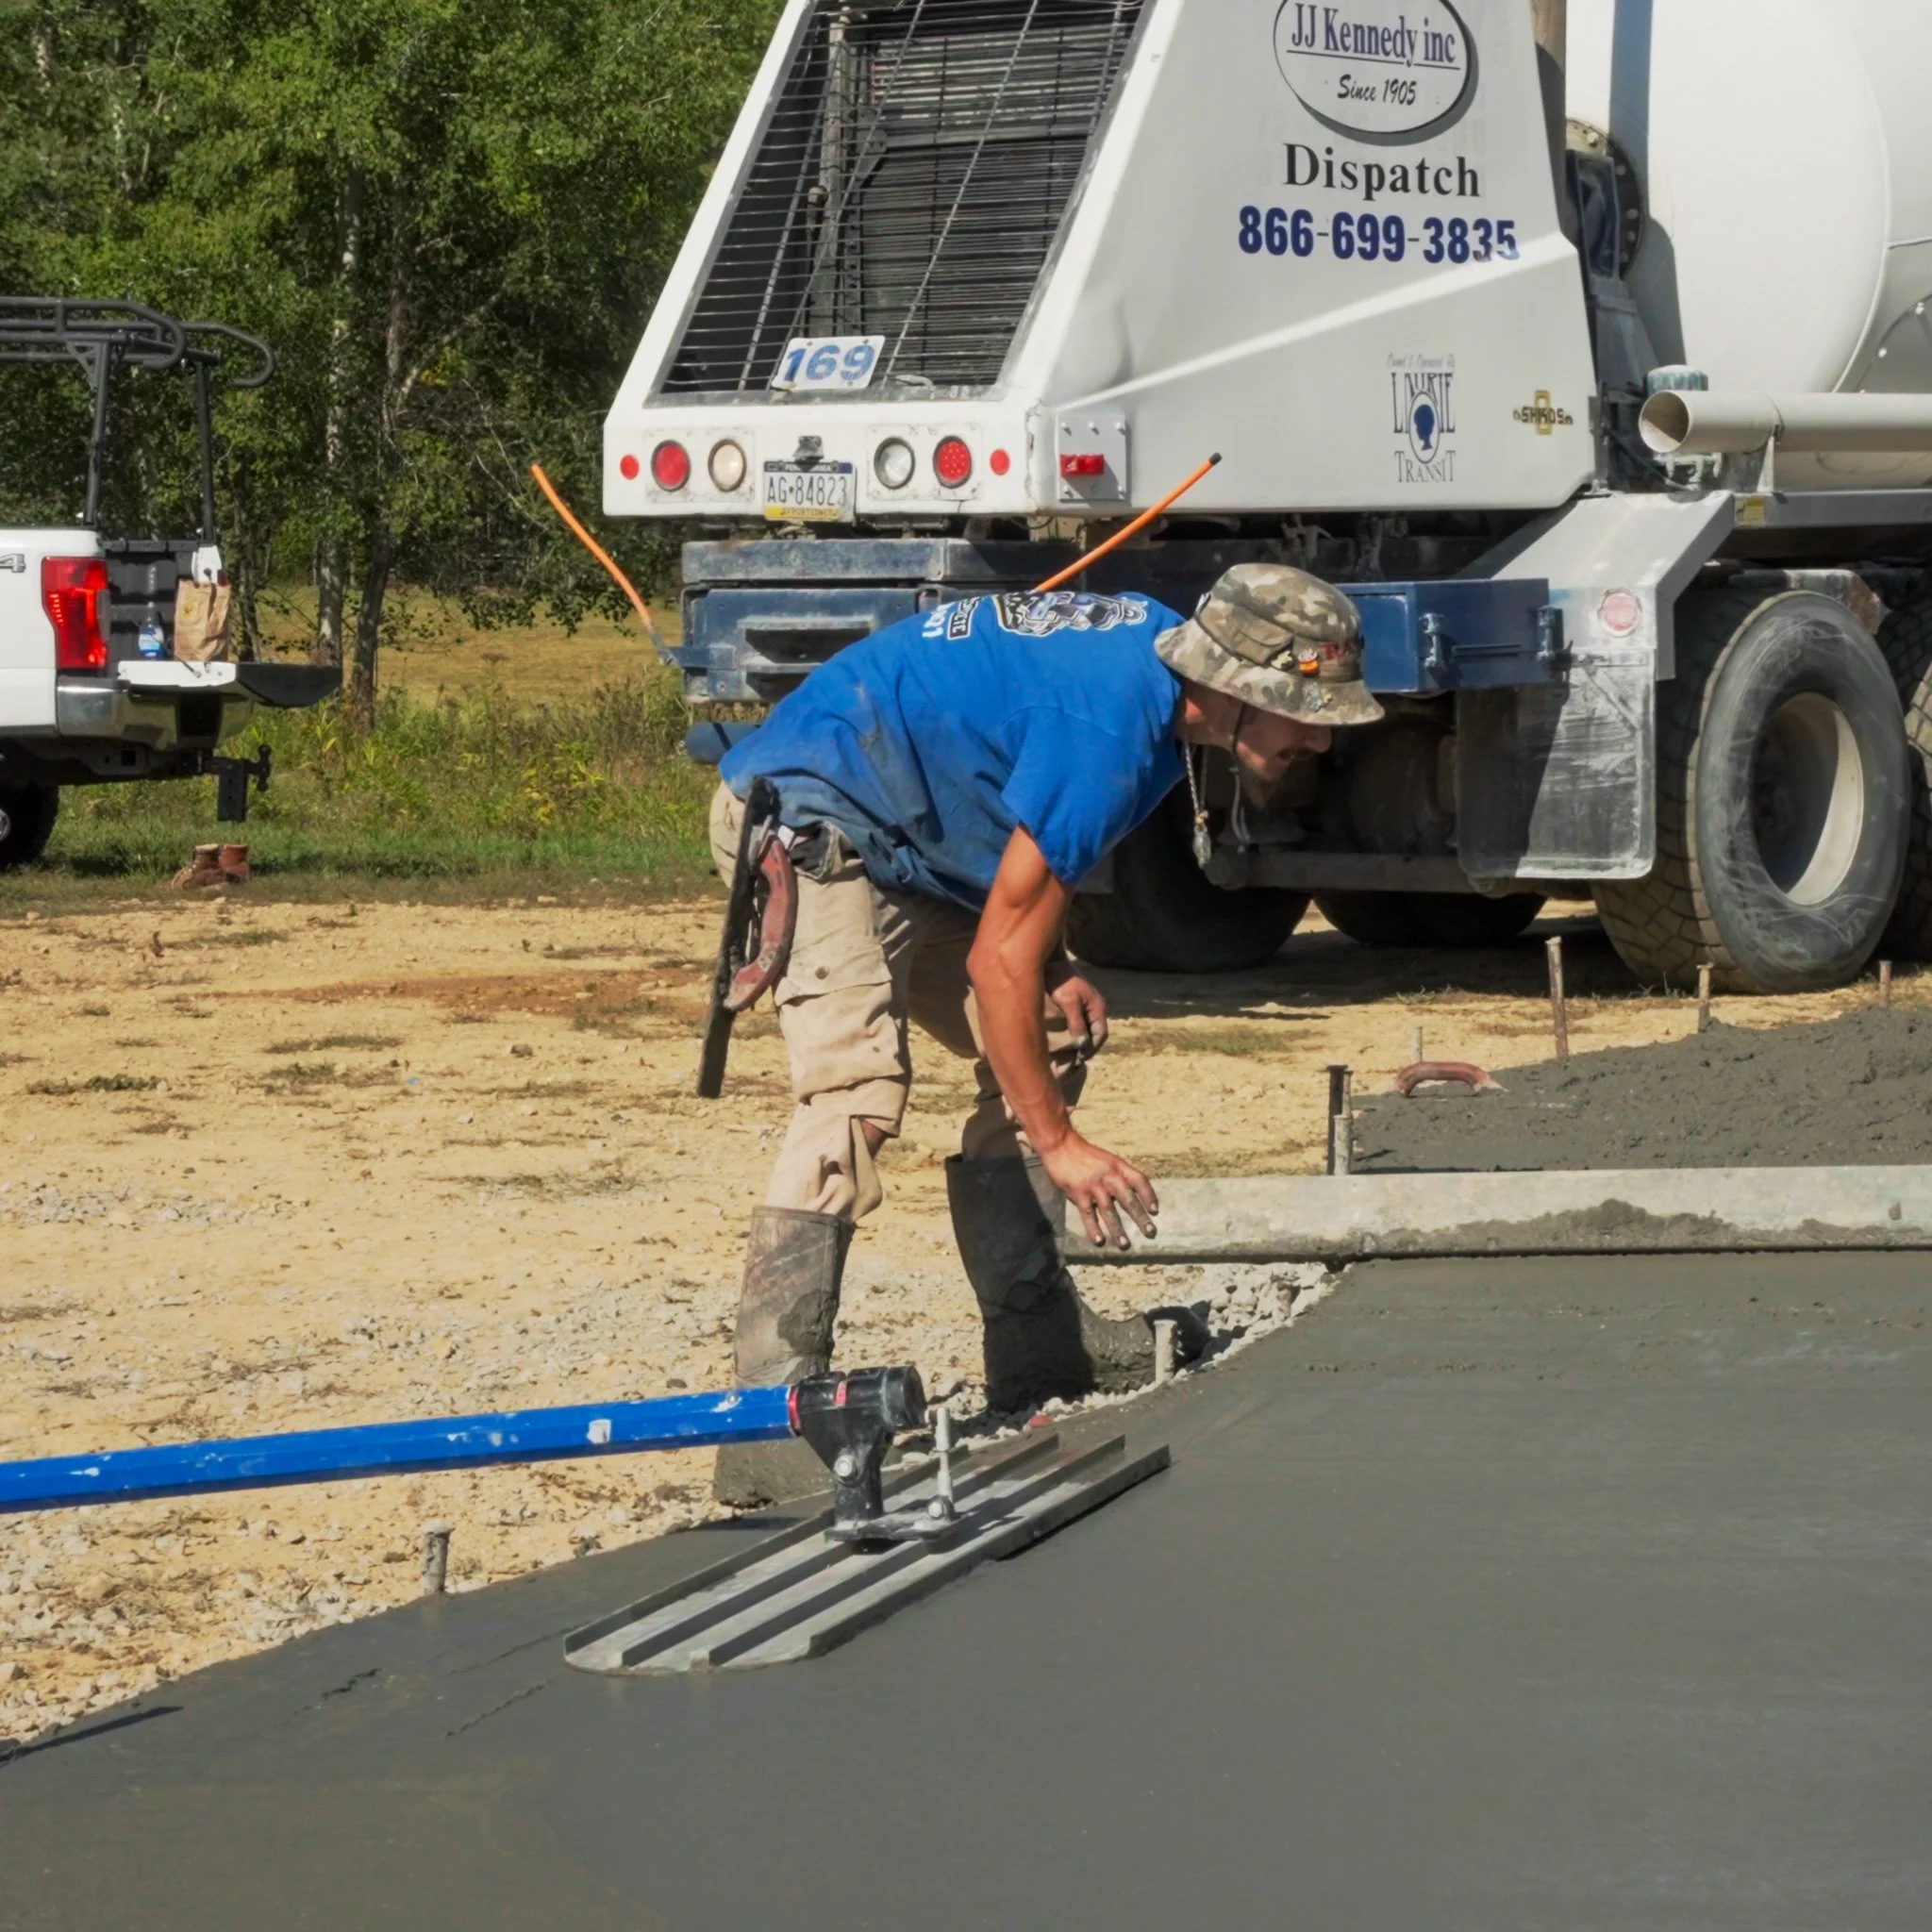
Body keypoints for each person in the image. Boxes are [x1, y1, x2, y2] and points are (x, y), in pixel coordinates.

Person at [708, 564, 1382, 1504]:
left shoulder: (1149, 680)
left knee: (1049, 1026)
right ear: (1231, 687)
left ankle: (1034, 1338)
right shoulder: (1112, 726)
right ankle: (764, 1424)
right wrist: (1058, 1143)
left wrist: (1050, 957)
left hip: (905, 831)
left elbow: (1010, 820)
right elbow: (994, 961)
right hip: (813, 817)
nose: (1318, 735)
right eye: (1303, 710)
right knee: (852, 1094)